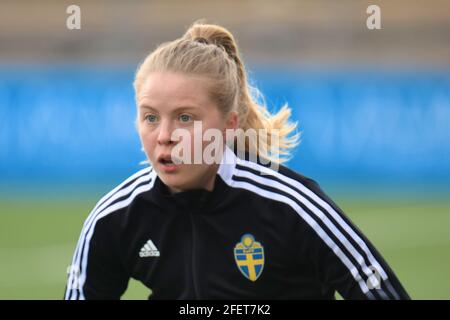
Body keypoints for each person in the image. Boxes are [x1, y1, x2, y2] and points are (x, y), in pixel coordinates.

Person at [64, 21, 410, 300]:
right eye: (150, 117)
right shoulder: (116, 217)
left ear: (228, 125)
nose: (164, 135)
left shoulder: (290, 205)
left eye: (185, 118)